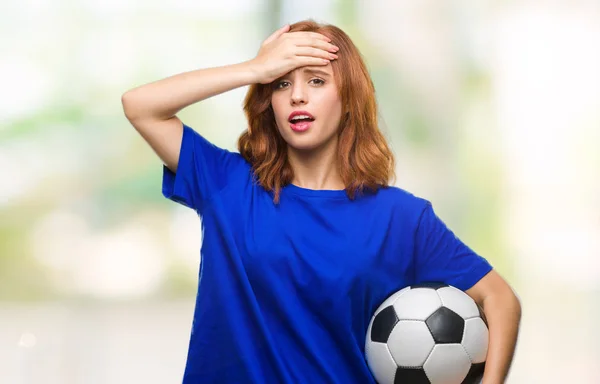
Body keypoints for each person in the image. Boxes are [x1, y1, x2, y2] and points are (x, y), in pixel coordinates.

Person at [122, 20, 521, 384]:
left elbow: (500, 299)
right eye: (281, 84)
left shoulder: (401, 217)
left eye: (316, 81)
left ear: (347, 99)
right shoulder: (226, 184)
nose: (297, 96)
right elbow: (141, 107)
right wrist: (254, 69)